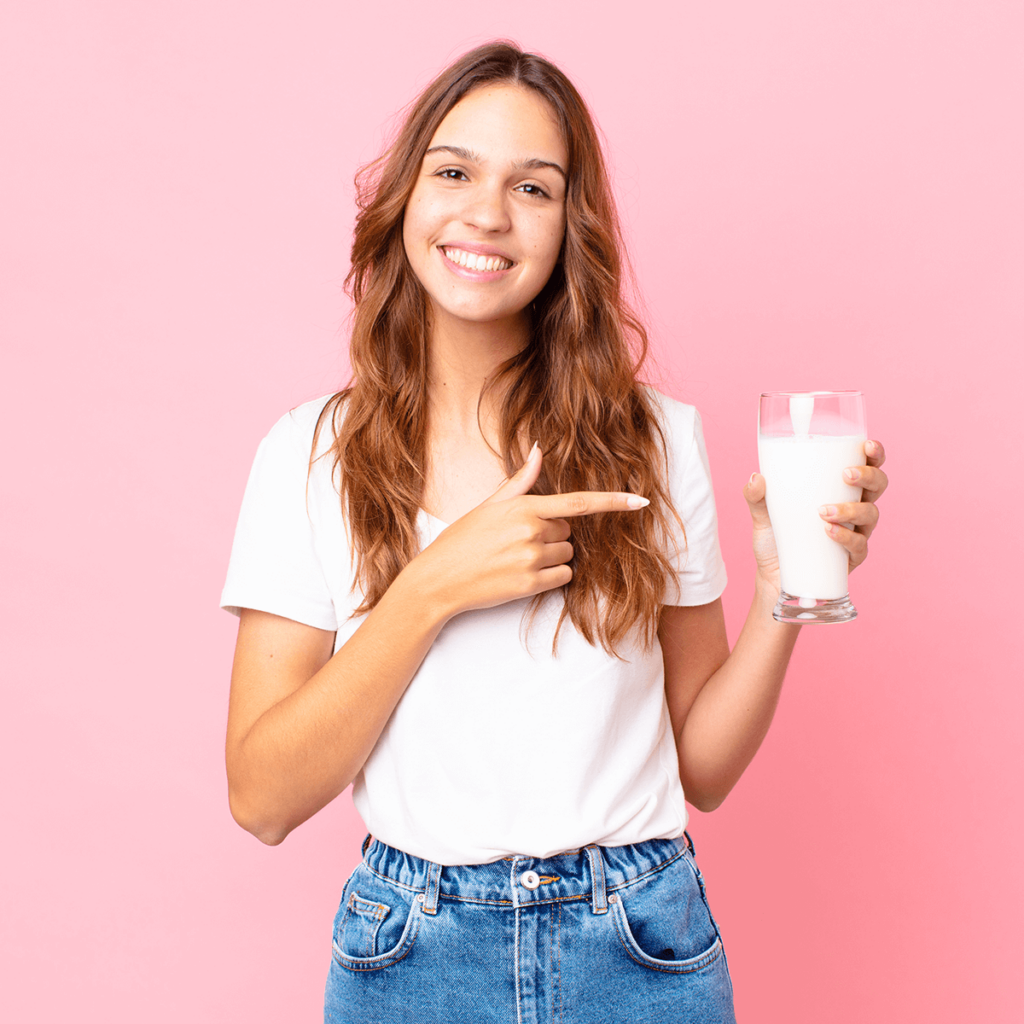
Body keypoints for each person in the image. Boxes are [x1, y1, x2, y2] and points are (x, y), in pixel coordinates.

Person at [220, 41, 888, 1023]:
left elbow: (702, 769)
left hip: (640, 944)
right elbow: (262, 797)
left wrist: (787, 589)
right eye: (453, 172)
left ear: (567, 227)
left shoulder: (657, 439)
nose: (485, 213)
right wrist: (432, 586)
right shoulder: (306, 453)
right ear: (405, 197)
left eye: (531, 188)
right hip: (413, 953)